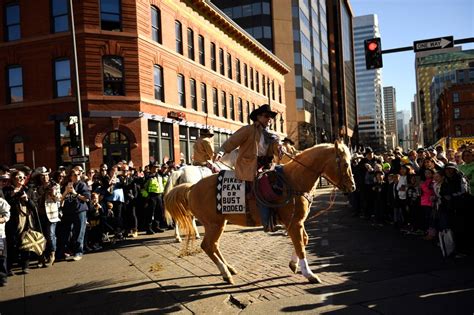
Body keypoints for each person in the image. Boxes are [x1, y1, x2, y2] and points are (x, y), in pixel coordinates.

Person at [214, 104, 280, 232]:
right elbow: (233, 141)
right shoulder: (248, 130)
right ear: (258, 117)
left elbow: (276, 151)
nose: (269, 119)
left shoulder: (271, 135)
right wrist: (221, 151)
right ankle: (267, 222)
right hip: (250, 166)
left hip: (267, 165)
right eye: (267, 116)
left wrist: (279, 147)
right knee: (262, 187)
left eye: (271, 117)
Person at [57, 169, 91, 261]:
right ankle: (65, 251)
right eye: (74, 175)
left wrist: (75, 194)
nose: (77, 176)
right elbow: (60, 199)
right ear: (70, 176)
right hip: (68, 211)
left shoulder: (82, 185)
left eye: (78, 174)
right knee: (65, 233)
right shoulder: (66, 185)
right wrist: (66, 192)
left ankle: (78, 252)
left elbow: (86, 199)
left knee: (79, 232)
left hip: (79, 211)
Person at [0, 194, 11, 286]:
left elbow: (7, 216)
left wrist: (1, 219)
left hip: (0, 234)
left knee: (2, 256)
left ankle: (3, 277)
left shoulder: (2, 202)